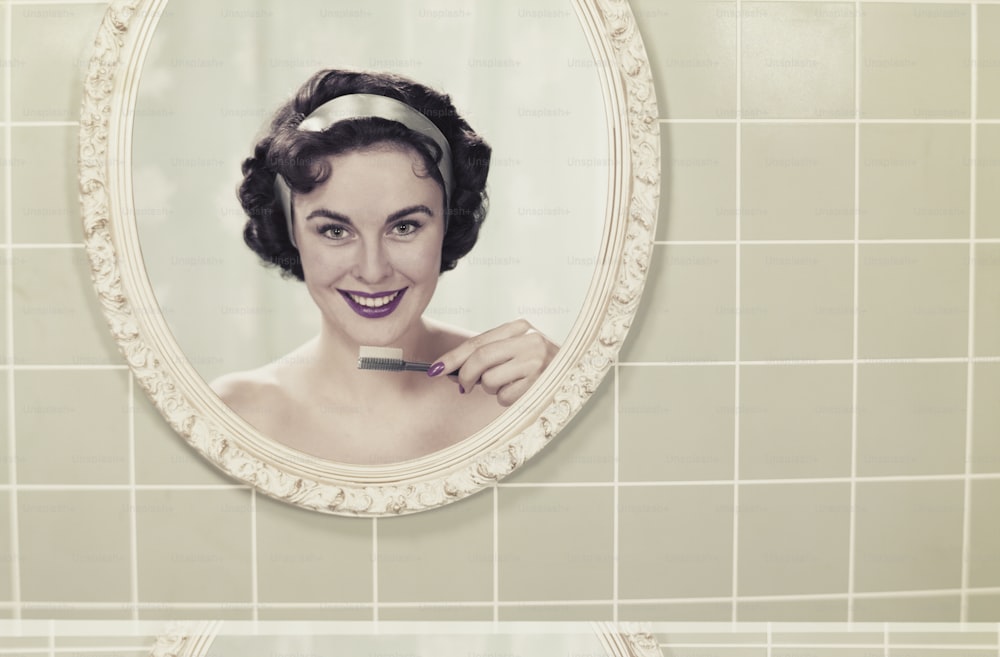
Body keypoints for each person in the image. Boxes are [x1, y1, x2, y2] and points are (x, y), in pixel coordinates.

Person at [211, 69, 558, 465]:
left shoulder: (524, 397)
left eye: (405, 226)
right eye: (335, 230)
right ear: (290, 231)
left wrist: (578, 395)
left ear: (448, 224)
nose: (373, 271)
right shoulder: (231, 417)